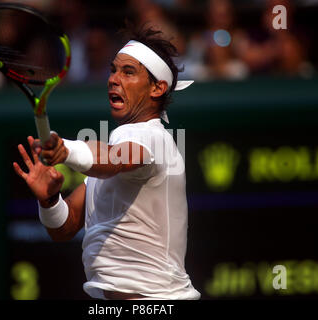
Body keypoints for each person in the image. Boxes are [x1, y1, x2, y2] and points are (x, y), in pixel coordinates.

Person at [13, 25, 201, 300]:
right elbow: (65, 228)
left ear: (157, 88)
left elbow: (114, 159)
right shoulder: (114, 153)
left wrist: (66, 150)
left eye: (128, 72)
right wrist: (50, 201)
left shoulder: (153, 137)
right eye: (113, 70)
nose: (113, 79)